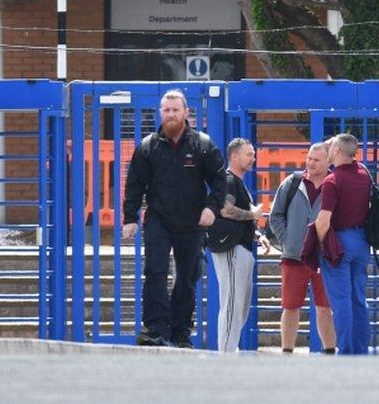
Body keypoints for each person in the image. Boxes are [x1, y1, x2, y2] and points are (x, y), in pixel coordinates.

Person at [122, 89, 226, 348]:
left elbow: (220, 179)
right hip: (159, 220)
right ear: (160, 113)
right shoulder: (148, 146)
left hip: (193, 223)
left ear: (185, 113)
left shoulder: (202, 145)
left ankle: (180, 332)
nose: (170, 115)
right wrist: (130, 217)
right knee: (155, 271)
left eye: (175, 110)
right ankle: (156, 329)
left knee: (187, 278)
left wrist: (212, 208)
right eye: (166, 110)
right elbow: (135, 184)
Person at [268, 142, 336, 354]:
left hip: (324, 258)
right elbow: (275, 215)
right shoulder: (292, 183)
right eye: (309, 158)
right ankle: (286, 352)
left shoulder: (335, 184)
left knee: (325, 308)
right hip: (294, 257)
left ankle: (330, 352)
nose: (311, 163)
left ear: (328, 161)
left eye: (316, 159)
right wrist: (288, 239)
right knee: (290, 307)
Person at [208, 138, 270, 352]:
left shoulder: (238, 181)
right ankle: (225, 356)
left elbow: (236, 216)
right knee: (232, 305)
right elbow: (225, 210)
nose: (253, 158)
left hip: (241, 248)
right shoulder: (228, 180)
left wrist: (256, 234)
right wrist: (252, 214)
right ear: (234, 157)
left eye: (253, 154)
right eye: (248, 154)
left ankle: (229, 349)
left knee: (240, 307)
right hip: (231, 250)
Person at [313, 133, 372, 355]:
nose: (327, 147)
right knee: (358, 298)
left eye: (331, 145)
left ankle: (346, 351)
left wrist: (317, 244)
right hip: (362, 242)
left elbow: (324, 219)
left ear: (337, 150)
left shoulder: (332, 180)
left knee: (340, 301)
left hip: (339, 243)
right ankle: (360, 350)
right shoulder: (364, 174)